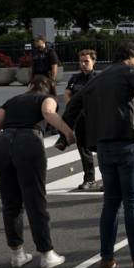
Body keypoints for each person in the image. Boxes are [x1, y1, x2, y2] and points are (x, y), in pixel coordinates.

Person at [62, 42, 134, 268]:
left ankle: (107, 258)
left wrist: (65, 134)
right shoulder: (130, 72)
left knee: (111, 203)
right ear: (132, 55)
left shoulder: (96, 79)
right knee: (133, 202)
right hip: (129, 141)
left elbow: (72, 107)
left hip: (104, 146)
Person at [0, 75, 73, 268]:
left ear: (29, 86)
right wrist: (68, 132)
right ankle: (46, 253)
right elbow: (48, 113)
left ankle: (17, 253)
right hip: (28, 141)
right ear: (49, 90)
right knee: (35, 199)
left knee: (10, 203)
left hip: (3, 144)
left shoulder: (11, 101)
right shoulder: (46, 99)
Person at [60, 49, 99, 191]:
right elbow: (67, 93)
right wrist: (72, 107)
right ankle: (89, 179)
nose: (83, 64)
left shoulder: (98, 78)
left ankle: (109, 179)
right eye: (81, 61)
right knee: (84, 149)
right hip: (79, 118)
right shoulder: (75, 78)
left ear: (94, 61)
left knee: (102, 149)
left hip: (95, 118)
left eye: (86, 61)